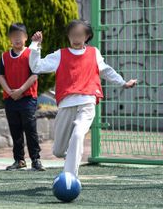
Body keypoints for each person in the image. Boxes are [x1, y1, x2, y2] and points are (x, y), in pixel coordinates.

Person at [29, 19, 137, 176]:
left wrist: (123, 83)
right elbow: (36, 66)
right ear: (68, 36)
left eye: (79, 34)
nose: (76, 37)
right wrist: (35, 45)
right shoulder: (60, 55)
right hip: (66, 104)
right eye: (72, 34)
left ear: (87, 36)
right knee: (58, 151)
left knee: (79, 134)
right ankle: (72, 157)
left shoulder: (94, 53)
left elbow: (106, 71)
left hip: (87, 101)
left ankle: (70, 177)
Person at [0, 23, 45, 171]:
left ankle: (36, 160)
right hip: (10, 98)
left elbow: (35, 75)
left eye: (20, 37)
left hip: (27, 98)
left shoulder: (31, 54)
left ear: (25, 38)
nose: (17, 40)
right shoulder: (4, 56)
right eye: (14, 37)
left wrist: (21, 90)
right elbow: (1, 76)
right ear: (10, 39)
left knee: (30, 129)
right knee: (15, 130)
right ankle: (19, 160)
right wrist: (9, 91)